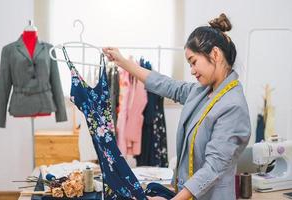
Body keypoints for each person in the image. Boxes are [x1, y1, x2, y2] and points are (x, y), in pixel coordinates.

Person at [103, 13, 251, 200]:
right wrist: (123, 62)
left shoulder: (233, 106)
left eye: (194, 62)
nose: (192, 71)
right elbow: (166, 85)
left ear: (215, 54)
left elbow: (214, 167)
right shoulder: (203, 92)